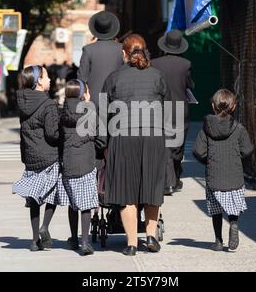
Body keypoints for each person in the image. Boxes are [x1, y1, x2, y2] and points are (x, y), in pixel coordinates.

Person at [102, 34, 170, 256]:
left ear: (124, 53)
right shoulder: (157, 76)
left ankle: (131, 243)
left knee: (127, 192)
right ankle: (150, 236)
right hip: (153, 136)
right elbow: (167, 109)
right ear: (145, 51)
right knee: (151, 187)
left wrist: (103, 144)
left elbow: (104, 114)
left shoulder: (113, 78)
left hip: (123, 137)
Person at [12, 65, 69, 251]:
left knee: (34, 197)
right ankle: (45, 226)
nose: (50, 80)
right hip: (48, 155)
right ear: (38, 81)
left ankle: (34, 240)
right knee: (52, 192)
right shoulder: (48, 104)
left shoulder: (22, 102)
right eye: (46, 77)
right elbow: (52, 134)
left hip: (30, 155)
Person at [193, 89, 254, 251]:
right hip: (234, 176)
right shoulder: (238, 128)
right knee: (233, 206)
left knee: (215, 209)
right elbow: (247, 149)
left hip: (214, 177)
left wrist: (208, 161)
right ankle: (233, 223)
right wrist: (237, 158)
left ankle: (218, 241)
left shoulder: (207, 128)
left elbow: (198, 151)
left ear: (213, 106)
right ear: (233, 107)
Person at [61, 79, 106, 255]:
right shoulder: (91, 112)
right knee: (86, 203)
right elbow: (101, 140)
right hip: (87, 162)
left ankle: (73, 238)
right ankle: (85, 242)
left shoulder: (62, 112)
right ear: (83, 94)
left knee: (73, 204)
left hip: (68, 162)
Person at [151, 29, 194, 194]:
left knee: (163, 144)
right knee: (178, 146)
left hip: (160, 107)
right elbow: (190, 84)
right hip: (179, 108)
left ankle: (165, 180)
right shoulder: (186, 64)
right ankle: (174, 179)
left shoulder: (154, 63)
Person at [77, 11, 124, 107]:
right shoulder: (121, 48)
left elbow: (81, 78)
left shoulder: (88, 49)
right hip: (118, 99)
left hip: (94, 101)